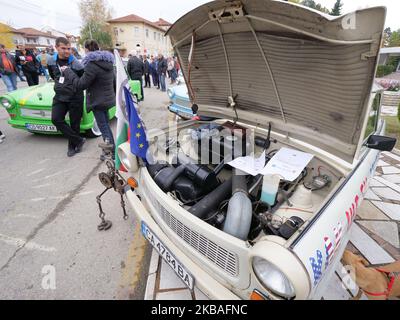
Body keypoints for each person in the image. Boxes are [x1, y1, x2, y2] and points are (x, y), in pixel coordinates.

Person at [62, 39, 116, 161]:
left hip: (98, 101)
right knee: (106, 125)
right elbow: (113, 80)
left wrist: (68, 71)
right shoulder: (108, 62)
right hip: (107, 99)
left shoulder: (92, 65)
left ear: (87, 49)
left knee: (103, 127)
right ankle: (111, 150)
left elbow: (81, 85)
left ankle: (112, 153)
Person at [48, 37, 86, 157]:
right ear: (56, 48)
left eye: (69, 48)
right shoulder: (51, 61)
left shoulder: (76, 64)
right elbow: (53, 75)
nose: (67, 51)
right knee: (56, 119)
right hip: (60, 95)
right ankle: (79, 140)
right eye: (63, 48)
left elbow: (82, 80)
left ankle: (72, 146)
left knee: (75, 123)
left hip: (75, 96)